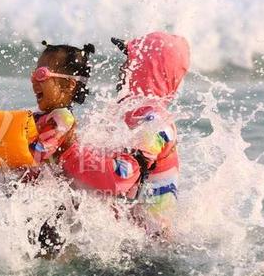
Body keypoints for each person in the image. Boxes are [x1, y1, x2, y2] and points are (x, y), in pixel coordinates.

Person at [61, 31, 190, 237]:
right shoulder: (124, 113)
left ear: (149, 69)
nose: (122, 68)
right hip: (129, 238)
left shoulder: (156, 124)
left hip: (151, 248)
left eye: (130, 61)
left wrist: (66, 152)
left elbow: (120, 177)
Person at [26, 41, 95, 256]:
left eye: (42, 75)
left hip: (56, 205)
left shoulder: (63, 119)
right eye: (33, 74)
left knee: (46, 253)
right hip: (42, 199)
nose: (34, 81)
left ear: (69, 85)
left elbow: (39, 152)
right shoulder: (39, 116)